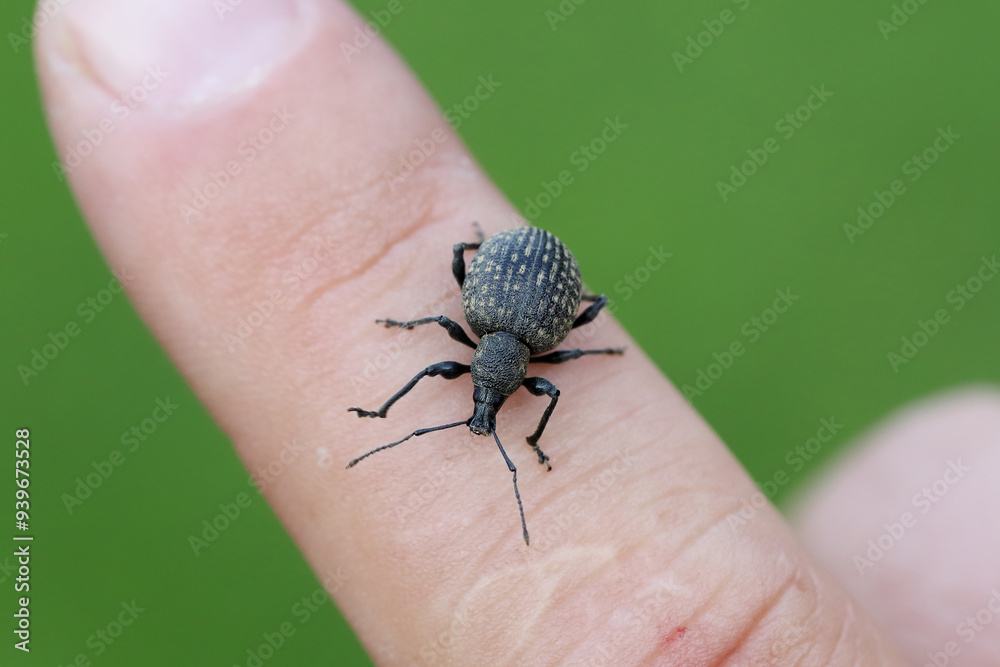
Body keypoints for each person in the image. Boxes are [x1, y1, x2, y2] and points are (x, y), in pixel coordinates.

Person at [35, 0, 1000, 663]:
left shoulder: (519, 353)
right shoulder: (495, 342)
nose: (486, 402)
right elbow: (446, 341)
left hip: (527, 286)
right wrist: (385, 400)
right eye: (492, 401)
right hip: (526, 288)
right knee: (464, 332)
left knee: (549, 332)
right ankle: (396, 407)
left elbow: (496, 347)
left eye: (493, 401)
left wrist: (531, 417)